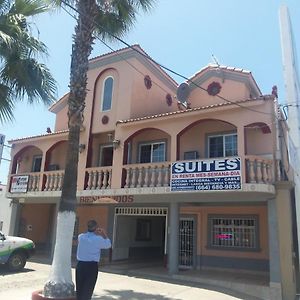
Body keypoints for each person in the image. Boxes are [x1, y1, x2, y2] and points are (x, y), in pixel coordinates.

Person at [76, 219, 111, 300]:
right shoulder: (98, 239)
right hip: (91, 266)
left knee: (80, 288)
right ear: (96, 228)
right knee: (88, 289)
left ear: (87, 227)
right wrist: (103, 234)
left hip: (80, 265)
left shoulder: (80, 237)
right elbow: (108, 244)